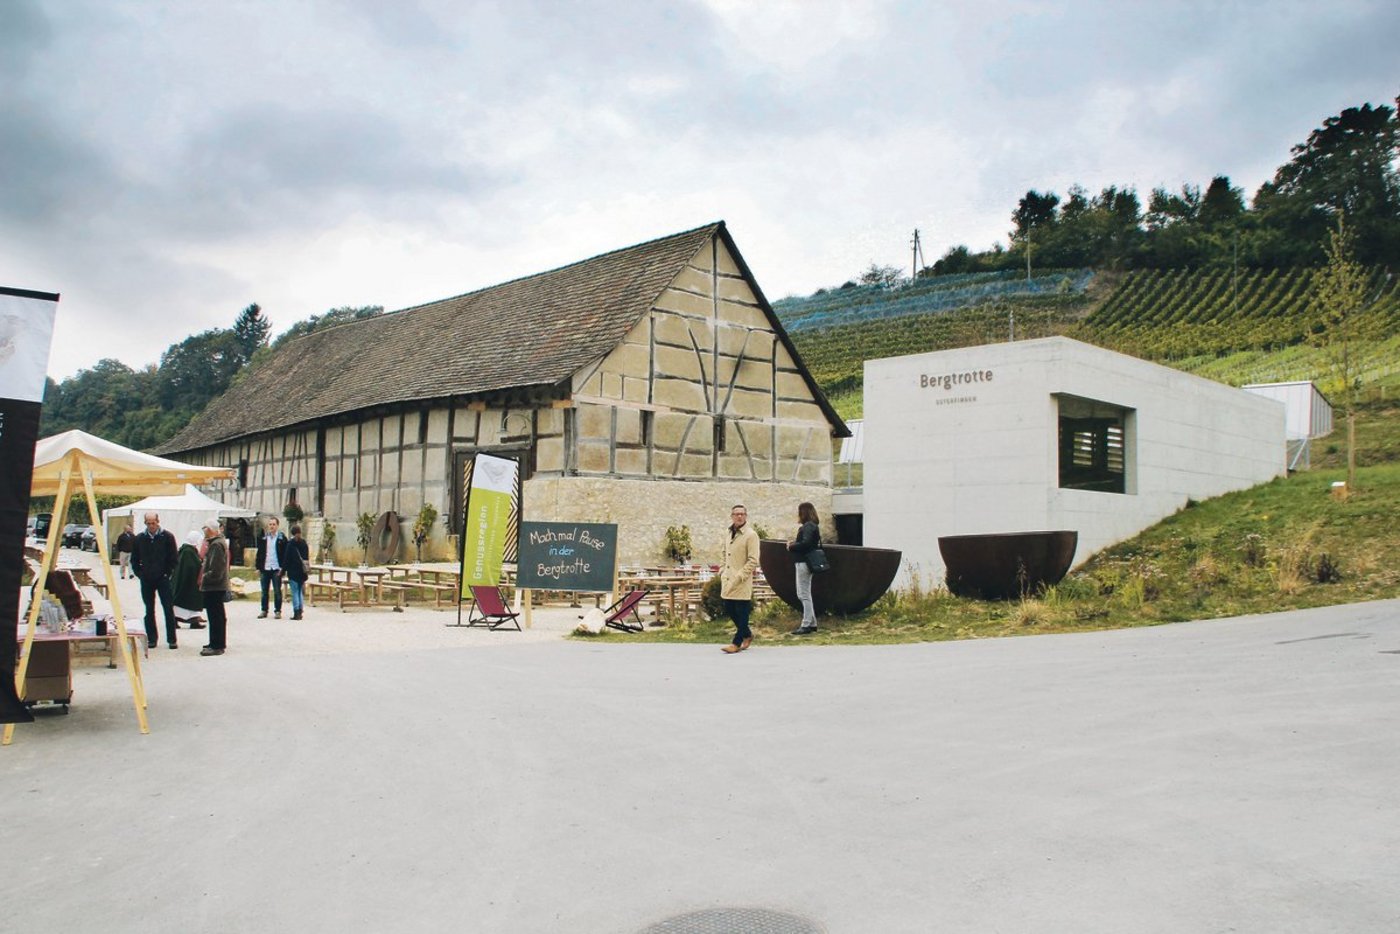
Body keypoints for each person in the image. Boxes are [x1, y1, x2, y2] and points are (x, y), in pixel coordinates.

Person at [130, 511, 179, 650]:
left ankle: (172, 639)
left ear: (158, 522)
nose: (151, 526)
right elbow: (134, 559)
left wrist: (167, 573)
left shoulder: (167, 537)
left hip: (163, 578)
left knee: (168, 608)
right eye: (148, 523)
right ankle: (152, 638)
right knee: (149, 609)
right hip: (147, 578)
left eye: (153, 523)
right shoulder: (140, 538)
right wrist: (140, 573)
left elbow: (174, 558)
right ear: (145, 523)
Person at [720, 504, 761, 654]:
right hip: (727, 578)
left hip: (742, 579)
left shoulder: (751, 535)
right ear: (732, 516)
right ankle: (747, 634)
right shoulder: (728, 532)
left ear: (746, 516)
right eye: (736, 514)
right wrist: (722, 570)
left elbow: (753, 559)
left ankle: (736, 643)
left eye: (742, 514)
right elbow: (724, 552)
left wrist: (741, 575)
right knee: (729, 607)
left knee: (742, 610)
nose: (739, 516)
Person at [786, 502, 822, 635]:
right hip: (808, 562)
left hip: (803, 562)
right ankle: (812, 623)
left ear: (803, 513)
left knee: (803, 594)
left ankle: (806, 624)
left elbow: (805, 543)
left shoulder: (807, 526)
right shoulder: (813, 526)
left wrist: (791, 546)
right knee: (805, 594)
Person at [200, 520, 230, 656]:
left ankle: (217, 645)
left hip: (214, 586)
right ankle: (215, 642)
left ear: (210, 530)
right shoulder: (217, 543)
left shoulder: (216, 545)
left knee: (215, 616)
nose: (204, 531)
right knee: (216, 616)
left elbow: (217, 568)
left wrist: (205, 577)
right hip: (216, 585)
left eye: (205, 528)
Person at [170, 530, 207, 629]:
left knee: (191, 602)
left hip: (190, 581)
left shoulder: (188, 550)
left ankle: (194, 621)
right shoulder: (188, 552)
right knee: (186, 601)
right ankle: (178, 620)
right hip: (188, 582)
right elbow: (190, 566)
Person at [255, 516, 288, 619]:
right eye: (270, 524)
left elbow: (285, 554)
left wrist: (283, 568)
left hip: (276, 568)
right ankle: (264, 610)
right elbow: (260, 553)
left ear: (277, 526)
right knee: (264, 591)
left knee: (277, 591)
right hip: (265, 567)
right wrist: (258, 567)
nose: (272, 526)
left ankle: (277, 611)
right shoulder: (264, 538)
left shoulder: (281, 538)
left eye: (274, 524)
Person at [284, 524, 310, 620]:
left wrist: (283, 570)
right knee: (300, 592)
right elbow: (306, 557)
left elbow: (286, 559)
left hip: (293, 571)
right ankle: (301, 610)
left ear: (292, 533)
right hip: (302, 571)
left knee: (295, 592)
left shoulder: (291, 544)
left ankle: (296, 612)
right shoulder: (304, 543)